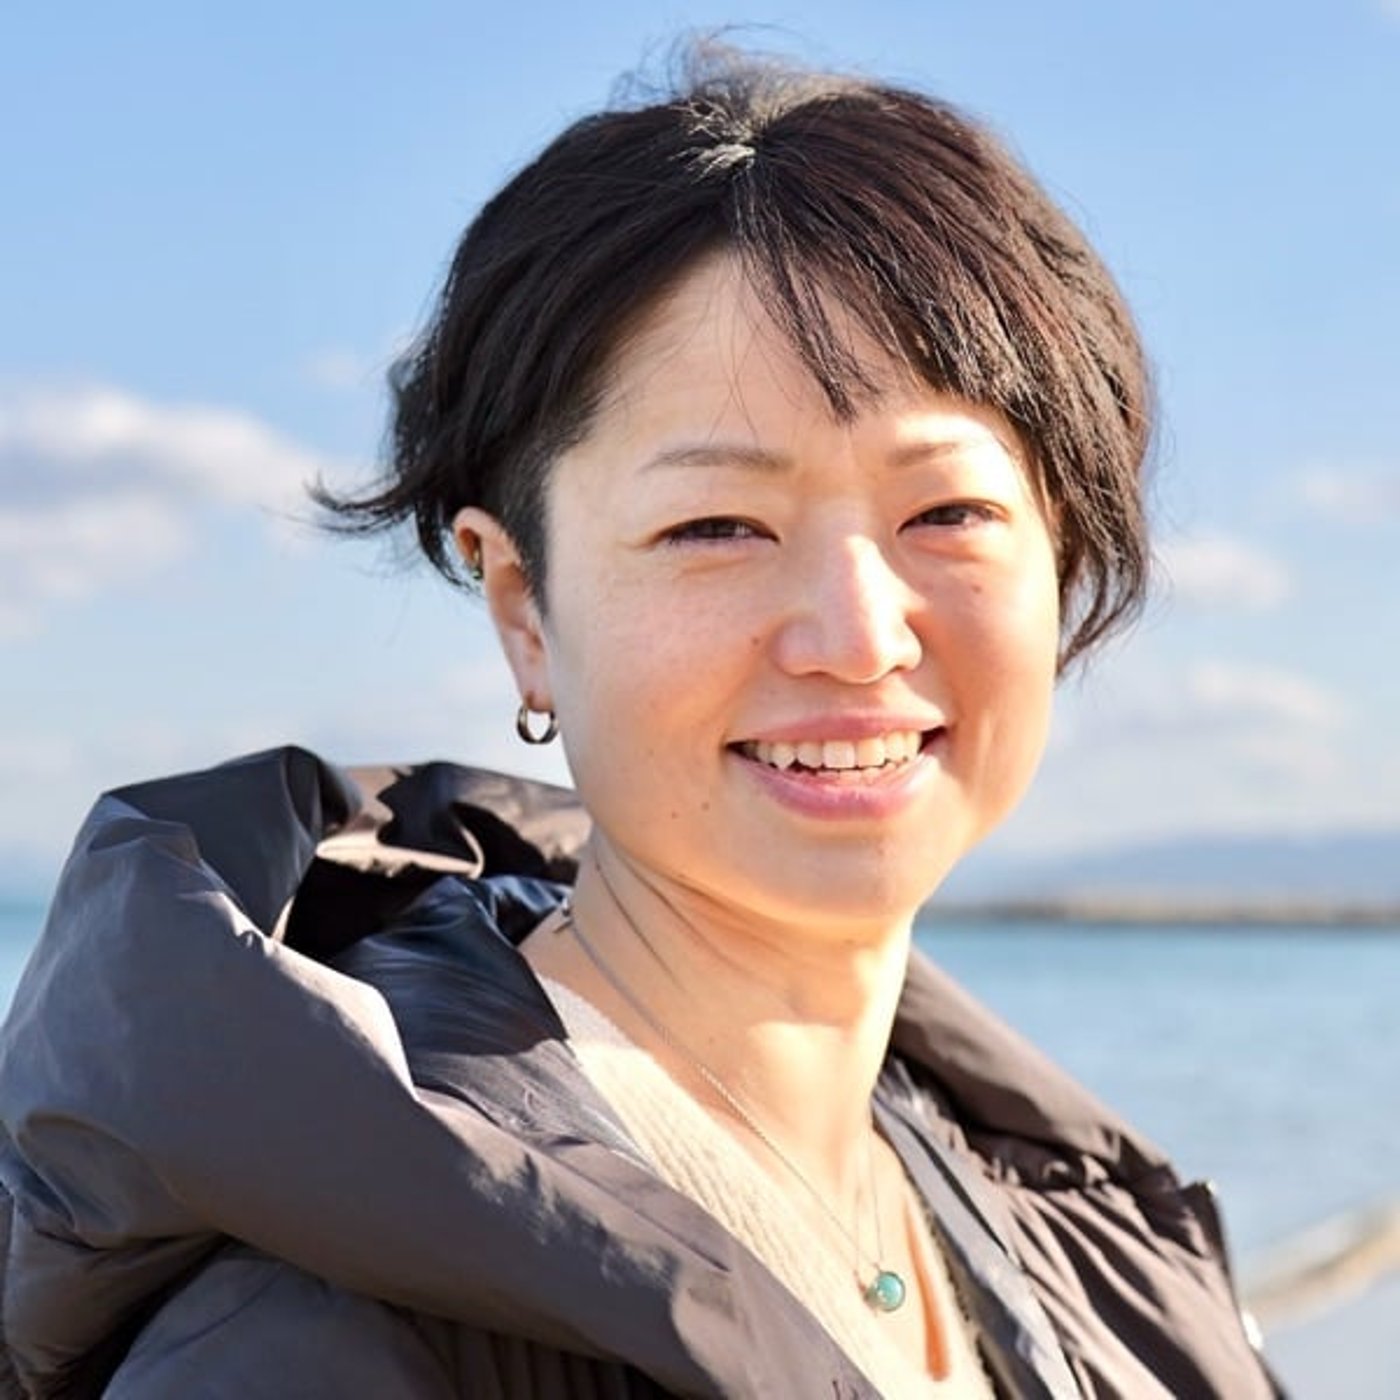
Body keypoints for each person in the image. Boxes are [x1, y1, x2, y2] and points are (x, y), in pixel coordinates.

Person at [0, 47, 1281, 1399]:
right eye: (717, 525)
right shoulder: (323, 1331)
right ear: (525, 608)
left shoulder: (1062, 1220)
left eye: (947, 511)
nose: (858, 636)